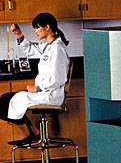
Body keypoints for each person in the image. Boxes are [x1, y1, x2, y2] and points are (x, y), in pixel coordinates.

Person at [0, 12, 70, 145]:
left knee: (11, 100)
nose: (36, 31)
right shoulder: (50, 46)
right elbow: (32, 49)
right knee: (5, 99)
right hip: (45, 92)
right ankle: (32, 130)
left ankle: (27, 132)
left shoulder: (57, 49)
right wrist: (19, 35)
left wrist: (37, 88)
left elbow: (58, 78)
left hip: (50, 94)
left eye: (37, 27)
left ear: (47, 27)